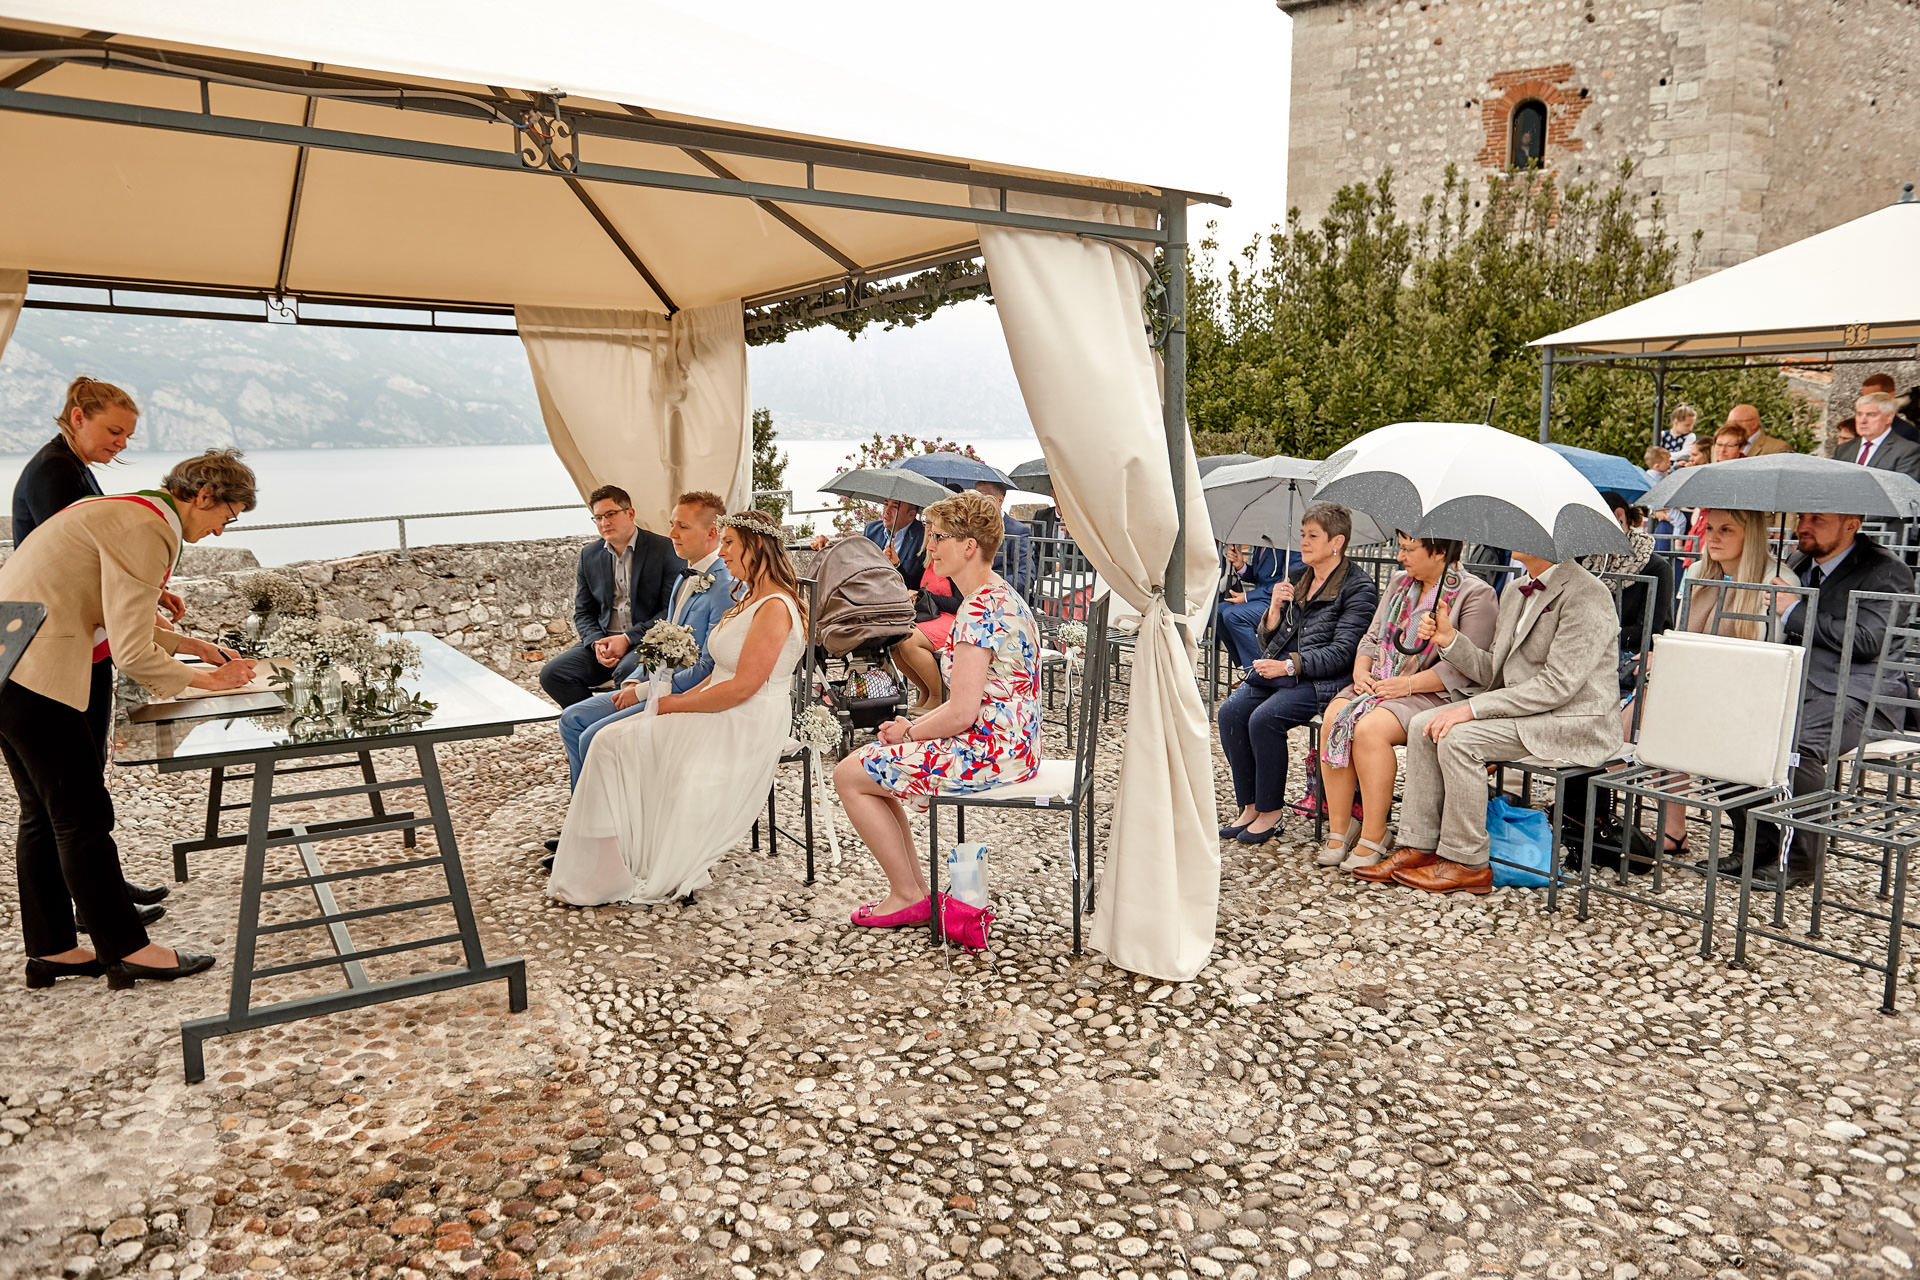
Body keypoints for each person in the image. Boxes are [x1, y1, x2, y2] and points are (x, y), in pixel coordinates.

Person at [0, 449, 261, 989]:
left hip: (10, 662)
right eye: (226, 517)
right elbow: (133, 650)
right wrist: (205, 681)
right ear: (204, 495)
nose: (219, 531)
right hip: (38, 672)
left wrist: (191, 645)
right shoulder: (149, 529)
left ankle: (54, 950)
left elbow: (111, 609)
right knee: (82, 818)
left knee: (43, 816)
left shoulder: (129, 511)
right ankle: (128, 949)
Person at [547, 510, 806, 906]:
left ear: (756, 546)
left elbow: (742, 687)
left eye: (731, 543)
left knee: (611, 742)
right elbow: (718, 672)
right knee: (606, 739)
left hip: (746, 718)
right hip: (719, 704)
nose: (723, 551)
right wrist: (662, 700)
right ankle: (611, 857)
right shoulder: (748, 596)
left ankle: (624, 858)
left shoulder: (774, 607)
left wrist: (673, 705)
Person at [834, 490, 1042, 927]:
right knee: (872, 767)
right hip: (1017, 743)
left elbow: (963, 712)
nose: (929, 547)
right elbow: (971, 704)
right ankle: (909, 891)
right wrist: (913, 724)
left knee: (848, 774)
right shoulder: (1002, 596)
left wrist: (910, 733)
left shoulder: (979, 611)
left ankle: (908, 894)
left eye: (938, 537)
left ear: (969, 547)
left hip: (990, 752)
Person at [1356, 552, 1622, 894]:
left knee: (1459, 739)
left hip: (1574, 720)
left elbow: (1557, 685)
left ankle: (1467, 863)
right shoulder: (1516, 589)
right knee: (1426, 723)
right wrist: (1449, 639)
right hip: (1528, 710)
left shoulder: (1588, 593)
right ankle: (1419, 846)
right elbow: (1494, 673)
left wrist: (1472, 710)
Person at [11, 376, 181, 909]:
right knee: (70, 799)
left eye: (128, 436)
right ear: (78, 416)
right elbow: (84, 560)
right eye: (114, 431)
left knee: (61, 799)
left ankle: (94, 892)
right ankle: (96, 901)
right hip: (58, 649)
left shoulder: (71, 465)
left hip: (64, 642)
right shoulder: (55, 471)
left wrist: (151, 594)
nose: (121, 444)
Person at [1725, 510, 1916, 889]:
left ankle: (1799, 862)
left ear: (1852, 524)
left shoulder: (1886, 571)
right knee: (1737, 730)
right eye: (1802, 518)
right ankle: (1756, 847)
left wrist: (1795, 609)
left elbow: (1867, 642)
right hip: (1800, 683)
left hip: (1862, 691)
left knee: (1799, 745)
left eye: (1818, 519)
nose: (1803, 527)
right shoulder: (1799, 561)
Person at [551, 492, 736, 827]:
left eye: (683, 526)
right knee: (572, 719)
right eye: (672, 525)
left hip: (686, 697)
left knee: (594, 735)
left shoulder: (722, 586)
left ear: (712, 533)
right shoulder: (685, 577)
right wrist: (637, 675)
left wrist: (639, 692)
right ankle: (585, 826)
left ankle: (613, 829)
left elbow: (709, 667)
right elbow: (660, 640)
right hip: (656, 683)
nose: (673, 534)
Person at [1316, 533, 1497, 869]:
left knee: (1370, 729)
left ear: (1440, 551)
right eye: (1401, 548)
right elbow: (1372, 636)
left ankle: (1375, 833)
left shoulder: (1476, 594)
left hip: (1435, 693)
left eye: (1409, 549)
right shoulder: (1400, 583)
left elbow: (1466, 670)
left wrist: (1408, 685)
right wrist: (1360, 671)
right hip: (1384, 678)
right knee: (1334, 719)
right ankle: (1341, 828)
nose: (1401, 557)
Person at [1217, 503, 1378, 846]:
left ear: (1337, 542)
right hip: (1286, 673)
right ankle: (1251, 807)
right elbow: (1271, 639)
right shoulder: (1303, 580)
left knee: (1264, 718)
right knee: (1230, 712)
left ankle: (1271, 813)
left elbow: (1343, 652)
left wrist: (1289, 665)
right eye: (1303, 535)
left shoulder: (1358, 587)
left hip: (1325, 680)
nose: (1303, 543)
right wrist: (1274, 609)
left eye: (1312, 536)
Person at [1639, 508, 1790, 856]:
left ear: (1750, 536)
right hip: (1698, 683)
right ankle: (1662, 826)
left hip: (1749, 693)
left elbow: (1773, 659)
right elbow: (1680, 639)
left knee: (1659, 708)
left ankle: (1616, 807)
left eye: (1727, 529)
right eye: (1710, 528)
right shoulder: (1700, 573)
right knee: (1658, 698)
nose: (1714, 537)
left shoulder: (1777, 580)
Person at [539, 485, 680, 708]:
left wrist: (626, 639)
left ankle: (617, 730)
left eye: (611, 514)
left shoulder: (664, 550)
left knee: (627, 672)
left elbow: (670, 611)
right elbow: (584, 612)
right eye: (598, 518)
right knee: (553, 674)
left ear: (630, 513)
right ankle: (596, 725)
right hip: (603, 642)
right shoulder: (589, 555)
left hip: (645, 641)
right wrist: (597, 642)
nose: (604, 523)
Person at [810, 498, 926, 591]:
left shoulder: (923, 537)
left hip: (900, 603)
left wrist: (896, 565)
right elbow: (855, 557)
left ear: (911, 515)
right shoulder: (872, 530)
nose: (887, 511)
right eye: (886, 504)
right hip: (868, 596)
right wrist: (828, 544)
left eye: (895, 506)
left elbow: (915, 585)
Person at [1214, 543, 1287, 670]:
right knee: (1218, 612)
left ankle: (1256, 670)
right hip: (1260, 599)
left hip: (1279, 603)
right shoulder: (1262, 542)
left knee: (1232, 615)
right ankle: (1245, 665)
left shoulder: (1288, 543)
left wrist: (1247, 596)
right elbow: (1260, 577)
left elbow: (1287, 582)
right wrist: (1241, 566)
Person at [1835, 392, 1920, 482]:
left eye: (1871, 414)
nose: (1863, 420)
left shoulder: (1907, 451)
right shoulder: (1844, 449)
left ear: (1889, 417)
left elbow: (1905, 489)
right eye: (1859, 414)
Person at [974, 480, 1034, 599]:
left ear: (999, 500)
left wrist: (986, 584)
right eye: (975, 497)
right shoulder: (969, 527)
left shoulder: (1018, 531)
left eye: (983, 497)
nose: (977, 503)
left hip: (1003, 600)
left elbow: (1025, 577)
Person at [1863, 374, 1920, 443]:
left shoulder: (1905, 433)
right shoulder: (1860, 427)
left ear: (1890, 395)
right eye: (1864, 397)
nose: (1866, 402)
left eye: (1873, 397)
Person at [1725, 404, 1792, 457]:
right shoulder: (1717, 446)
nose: (1730, 427)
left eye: (1736, 422)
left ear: (1754, 424)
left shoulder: (1779, 448)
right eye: (1728, 423)